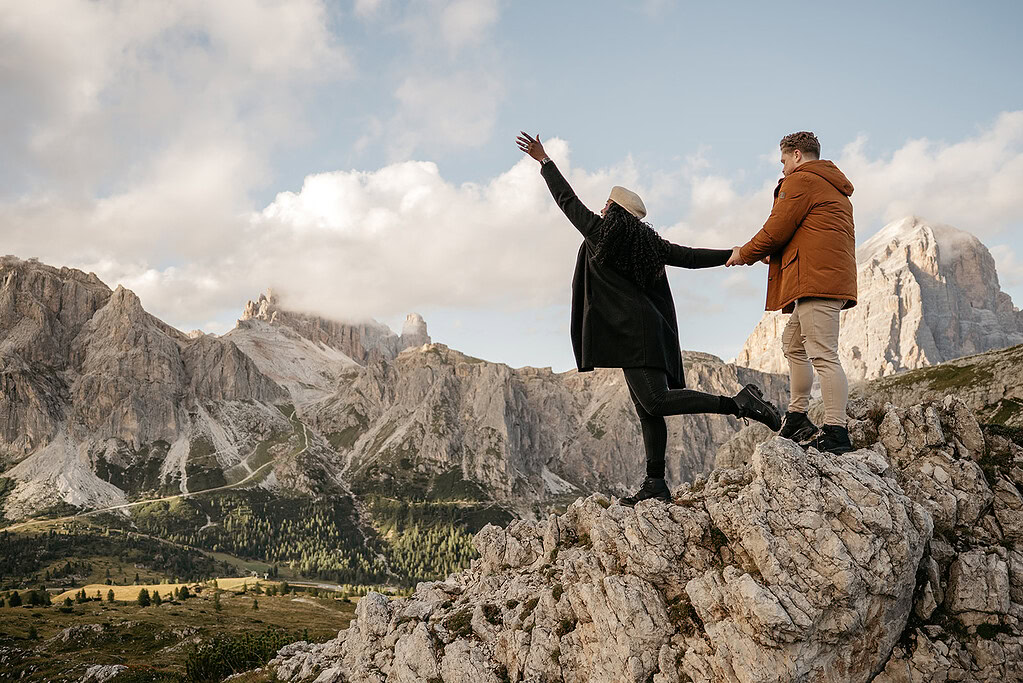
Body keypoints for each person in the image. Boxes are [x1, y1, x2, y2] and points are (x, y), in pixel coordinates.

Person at [516, 131, 781, 506]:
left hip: (633, 337)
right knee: (648, 409)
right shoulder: (647, 244)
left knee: (655, 403)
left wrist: (545, 162)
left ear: (612, 209)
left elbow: (566, 200)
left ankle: (738, 403)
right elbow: (688, 256)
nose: (602, 208)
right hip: (645, 333)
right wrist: (735, 253)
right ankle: (655, 483)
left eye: (607, 203)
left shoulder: (598, 233)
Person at [725, 131, 856, 454]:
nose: (782, 169)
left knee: (823, 354)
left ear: (797, 155)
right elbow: (807, 233)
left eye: (783, 161)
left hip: (817, 282)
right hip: (822, 278)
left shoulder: (802, 181)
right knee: (793, 344)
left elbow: (777, 227)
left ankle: (837, 432)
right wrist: (775, 254)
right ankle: (797, 415)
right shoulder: (831, 186)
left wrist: (746, 252)